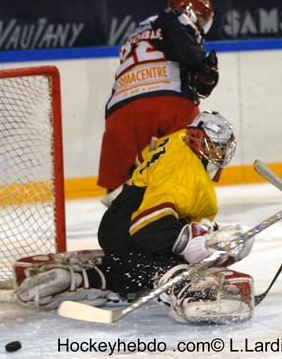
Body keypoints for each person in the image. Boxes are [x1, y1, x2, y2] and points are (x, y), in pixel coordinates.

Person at [15, 111, 255, 324]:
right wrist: (201, 245)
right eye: (215, 146)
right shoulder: (185, 175)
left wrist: (207, 235)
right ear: (197, 141)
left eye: (223, 147)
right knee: (166, 264)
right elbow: (149, 230)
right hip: (132, 230)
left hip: (117, 218)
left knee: (129, 271)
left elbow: (141, 159)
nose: (220, 153)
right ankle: (183, 290)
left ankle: (77, 279)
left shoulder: (177, 138)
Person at [98, 0, 219, 192]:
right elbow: (186, 50)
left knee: (119, 191)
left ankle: (122, 222)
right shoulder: (179, 18)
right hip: (170, 103)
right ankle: (186, 219)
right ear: (187, 10)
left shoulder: (136, 32)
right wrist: (201, 66)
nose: (201, 25)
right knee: (196, 161)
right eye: (201, 18)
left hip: (120, 110)